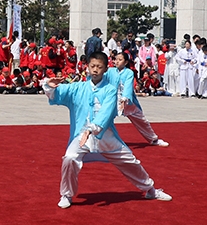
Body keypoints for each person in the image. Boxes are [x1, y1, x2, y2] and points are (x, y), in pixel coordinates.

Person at [43, 51, 172, 209]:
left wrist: (92, 129)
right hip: (82, 136)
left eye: (99, 67)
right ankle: (66, 194)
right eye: (92, 66)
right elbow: (57, 94)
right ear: (87, 68)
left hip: (106, 136)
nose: (95, 69)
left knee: (130, 161)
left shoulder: (110, 90)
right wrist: (50, 86)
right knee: (69, 158)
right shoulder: (77, 88)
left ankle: (150, 189)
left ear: (105, 69)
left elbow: (107, 111)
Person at [109, 52, 169, 147]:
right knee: (104, 119)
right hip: (112, 101)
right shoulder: (110, 71)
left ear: (125, 62)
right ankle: (99, 140)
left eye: (120, 60)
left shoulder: (129, 72)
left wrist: (124, 98)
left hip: (127, 102)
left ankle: (153, 139)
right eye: (116, 59)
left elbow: (128, 86)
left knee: (141, 120)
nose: (117, 61)